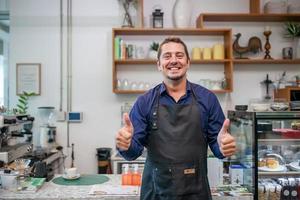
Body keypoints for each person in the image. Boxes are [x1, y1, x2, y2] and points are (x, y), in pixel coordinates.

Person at [116, 37, 236, 200]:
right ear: (159, 64)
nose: (174, 60)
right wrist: (125, 145)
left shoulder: (208, 99)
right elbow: (132, 153)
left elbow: (218, 147)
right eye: (167, 56)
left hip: (196, 193)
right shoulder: (144, 102)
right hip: (155, 193)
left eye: (179, 55)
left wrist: (223, 148)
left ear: (188, 62)